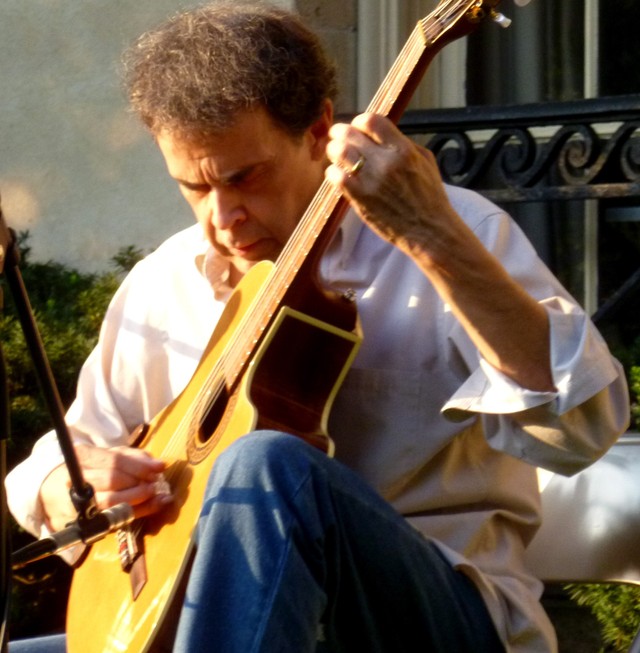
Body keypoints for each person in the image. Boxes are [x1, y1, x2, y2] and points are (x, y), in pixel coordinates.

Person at [5, 2, 629, 652]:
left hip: (435, 620)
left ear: (319, 131)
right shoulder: (163, 281)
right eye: (193, 187)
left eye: (243, 178)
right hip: (210, 621)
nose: (222, 217)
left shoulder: (454, 230)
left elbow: (583, 427)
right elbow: (61, 455)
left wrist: (432, 237)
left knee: (265, 462)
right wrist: (67, 485)